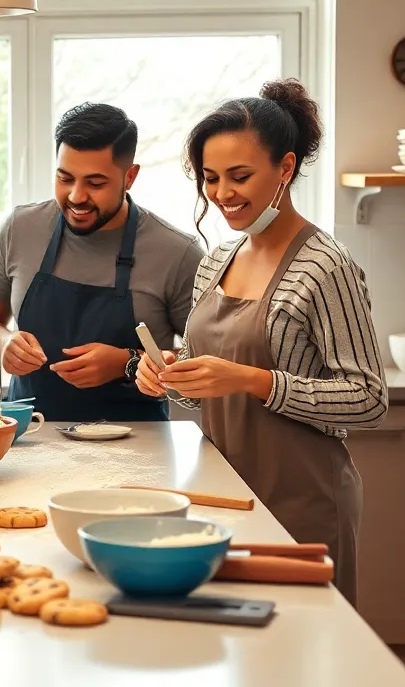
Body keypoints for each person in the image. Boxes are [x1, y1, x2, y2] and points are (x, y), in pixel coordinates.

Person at [134, 78, 386, 606]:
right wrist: (168, 377)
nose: (223, 193)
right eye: (210, 178)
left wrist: (253, 379)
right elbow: (209, 388)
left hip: (304, 501)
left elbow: (368, 399)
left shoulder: (325, 267)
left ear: (286, 169)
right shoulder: (216, 261)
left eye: (240, 176)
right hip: (226, 493)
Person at [0, 102, 204, 422]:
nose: (76, 196)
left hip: (139, 453)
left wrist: (126, 363)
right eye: (65, 178)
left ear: (129, 177)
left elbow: (203, 367)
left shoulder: (177, 253)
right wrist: (4, 341)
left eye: (95, 183)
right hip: (31, 437)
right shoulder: (21, 228)